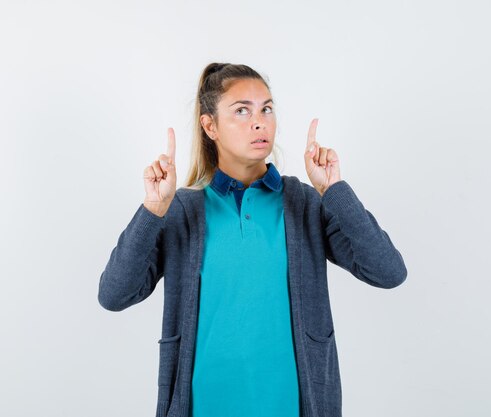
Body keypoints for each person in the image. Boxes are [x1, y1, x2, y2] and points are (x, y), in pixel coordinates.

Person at [98, 62, 407, 417]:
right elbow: (113, 294)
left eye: (267, 109)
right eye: (242, 110)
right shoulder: (182, 209)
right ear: (209, 125)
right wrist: (153, 209)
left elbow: (389, 272)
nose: (259, 121)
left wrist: (334, 191)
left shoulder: (304, 203)